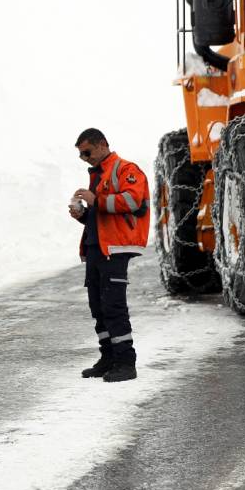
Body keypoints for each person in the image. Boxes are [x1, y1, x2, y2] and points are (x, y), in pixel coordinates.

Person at [70, 128, 150, 383]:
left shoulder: (126, 169)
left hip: (114, 249)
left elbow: (134, 201)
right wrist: (83, 215)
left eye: (87, 152)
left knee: (113, 307)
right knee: (98, 306)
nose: (85, 158)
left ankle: (126, 362)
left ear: (102, 144)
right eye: (81, 155)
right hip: (96, 248)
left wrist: (97, 200)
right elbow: (102, 216)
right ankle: (108, 358)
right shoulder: (98, 175)